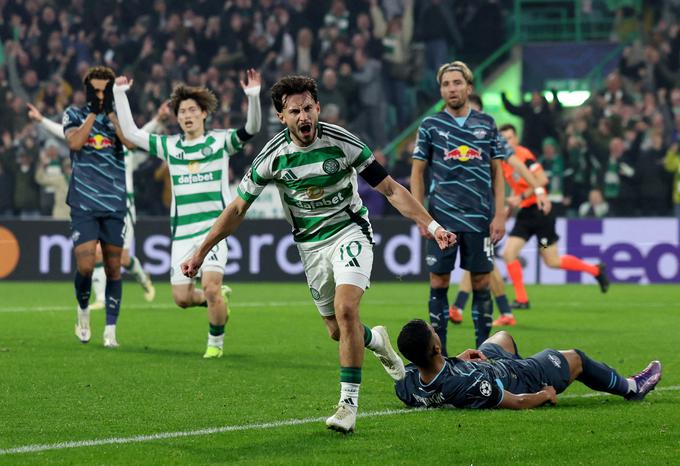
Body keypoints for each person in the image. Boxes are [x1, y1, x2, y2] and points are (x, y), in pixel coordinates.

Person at [179, 75, 456, 433]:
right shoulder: (273, 156)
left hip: (350, 232)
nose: (303, 116)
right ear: (282, 117)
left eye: (308, 108)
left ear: (318, 108)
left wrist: (433, 227)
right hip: (310, 246)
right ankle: (376, 340)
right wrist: (201, 251)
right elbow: (236, 209)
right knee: (337, 329)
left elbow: (389, 188)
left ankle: (347, 405)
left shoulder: (343, 142)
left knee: (346, 309)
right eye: (295, 111)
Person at [113, 69, 263, 359]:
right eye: (182, 111)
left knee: (210, 287)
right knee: (181, 299)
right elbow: (131, 134)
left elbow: (252, 129)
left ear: (204, 114)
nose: (187, 115)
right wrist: (120, 94)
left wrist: (253, 97)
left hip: (213, 231)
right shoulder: (170, 147)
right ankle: (218, 300)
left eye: (193, 110)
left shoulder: (220, 142)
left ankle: (215, 345)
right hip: (182, 234)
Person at [410, 61, 506, 352]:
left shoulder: (487, 124)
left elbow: (498, 173)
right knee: (439, 280)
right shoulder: (430, 125)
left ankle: (484, 351)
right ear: (441, 90)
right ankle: (440, 354)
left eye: (457, 83)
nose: (451, 89)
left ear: (469, 86)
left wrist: (499, 213)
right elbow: (417, 172)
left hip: (479, 217)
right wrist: (422, 217)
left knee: (480, 281)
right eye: (446, 84)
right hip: (442, 218)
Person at [27, 102, 157, 307]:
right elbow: (66, 134)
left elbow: (145, 133)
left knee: (122, 259)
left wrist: (158, 119)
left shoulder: (125, 142)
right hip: (96, 201)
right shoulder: (94, 139)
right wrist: (41, 119)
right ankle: (101, 298)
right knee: (96, 251)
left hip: (122, 204)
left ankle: (143, 278)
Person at [391, 319, 662, 409]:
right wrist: (542, 394)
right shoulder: (470, 384)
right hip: (517, 378)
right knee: (576, 358)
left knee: (502, 336)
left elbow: (428, 370)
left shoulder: (408, 382)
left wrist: (458, 360)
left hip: (486, 365)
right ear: (436, 347)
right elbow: (516, 402)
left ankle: (537, 365)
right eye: (433, 331)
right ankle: (631, 387)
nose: (436, 330)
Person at [448, 94, 551, 329]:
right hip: (471, 207)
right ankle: (504, 310)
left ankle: (459, 306)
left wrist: (538, 190)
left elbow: (523, 168)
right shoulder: (452, 137)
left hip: (523, 213)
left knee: (547, 256)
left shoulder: (494, 140)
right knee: (483, 259)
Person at [500, 124, 609, 309]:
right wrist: (510, 209)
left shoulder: (524, 156)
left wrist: (521, 197)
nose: (506, 142)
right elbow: (518, 192)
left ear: (516, 139)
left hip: (541, 215)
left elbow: (542, 180)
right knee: (509, 254)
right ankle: (522, 299)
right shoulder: (504, 161)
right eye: (503, 139)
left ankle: (594, 270)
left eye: (509, 138)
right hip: (526, 217)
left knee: (551, 260)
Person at [63, 66, 134, 348]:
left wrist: (115, 116)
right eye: (96, 90)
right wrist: (93, 113)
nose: (101, 95)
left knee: (115, 268)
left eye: (106, 90)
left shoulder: (118, 118)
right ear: (87, 90)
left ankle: (110, 330)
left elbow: (130, 143)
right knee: (86, 265)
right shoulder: (74, 114)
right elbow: (75, 143)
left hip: (115, 202)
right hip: (83, 201)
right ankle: (83, 309)